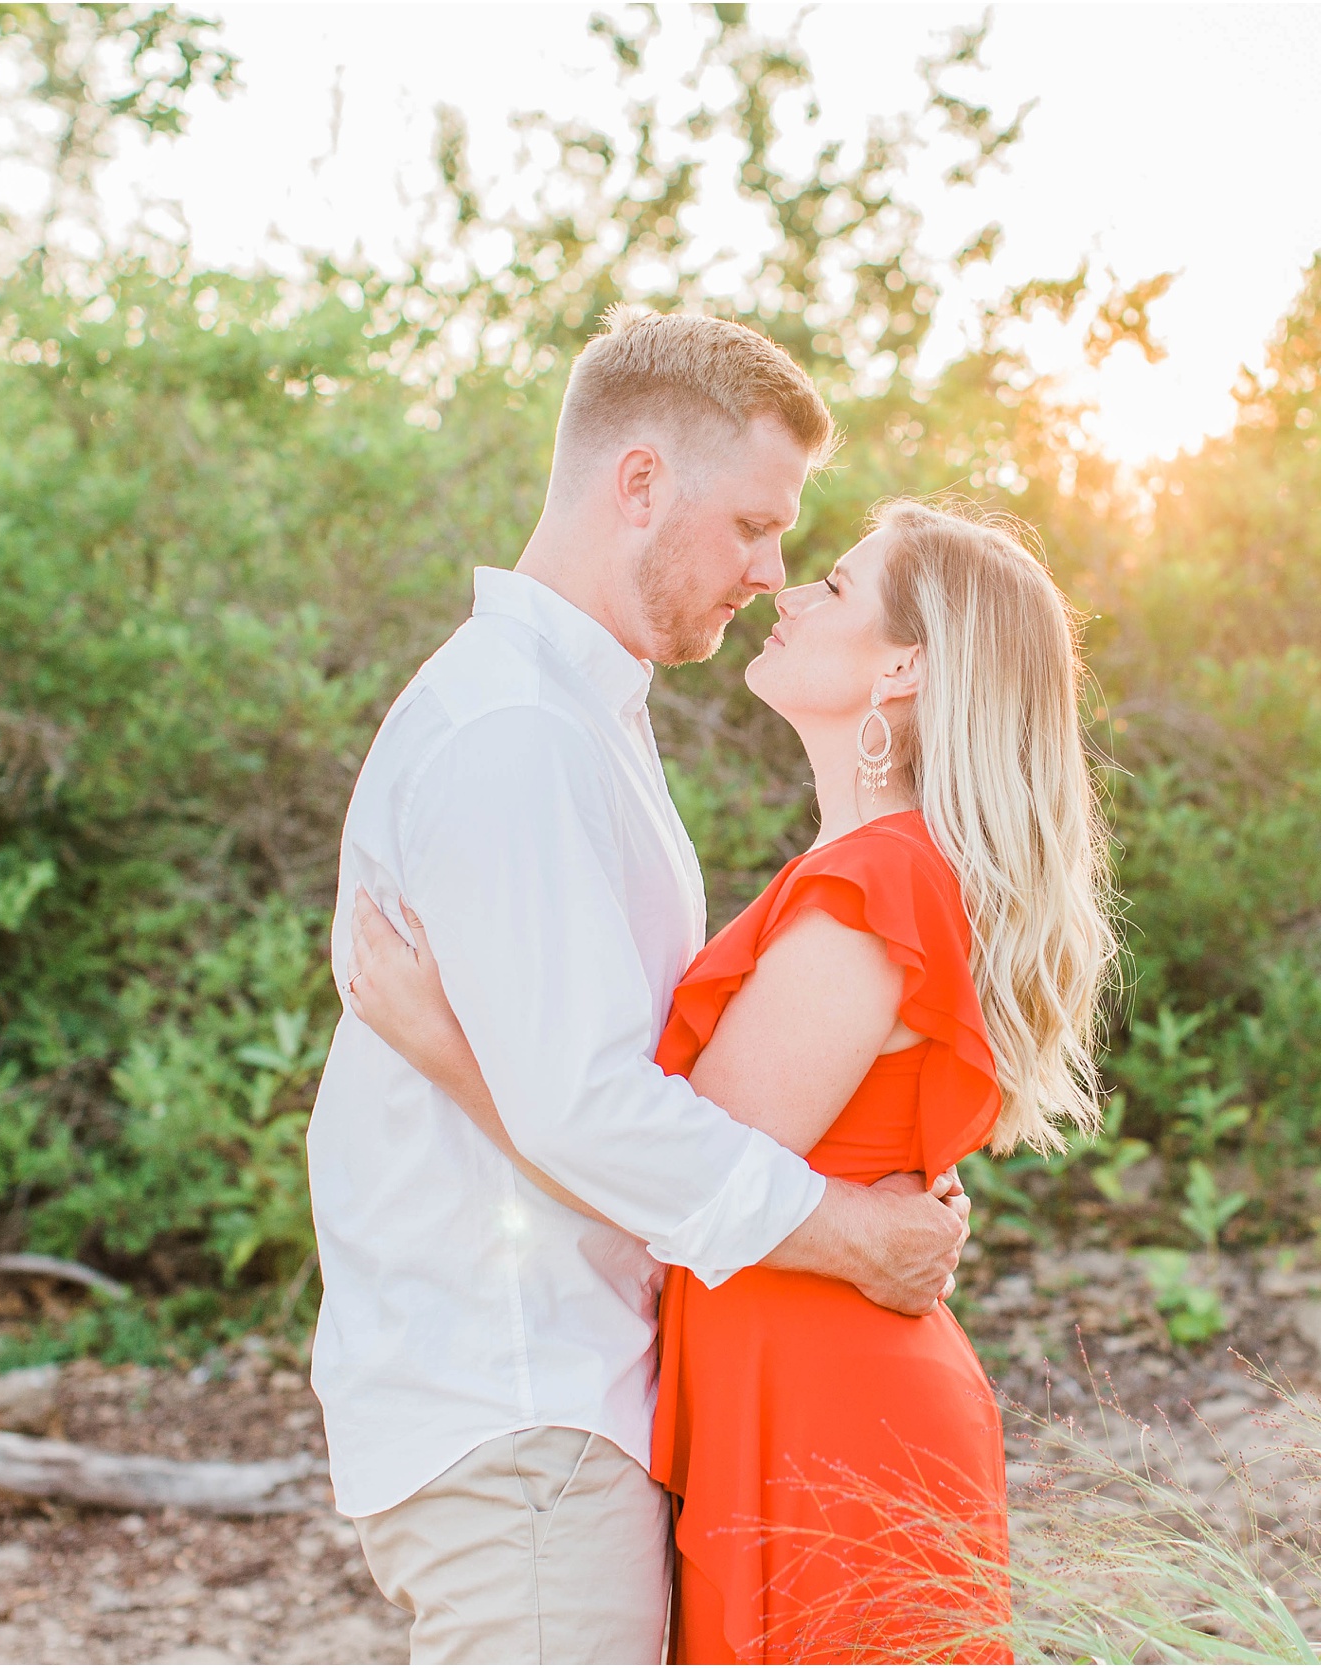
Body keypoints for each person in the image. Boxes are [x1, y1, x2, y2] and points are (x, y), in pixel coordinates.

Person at [306, 308, 976, 1666]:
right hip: (521, 1402)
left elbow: (616, 1092)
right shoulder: (519, 734)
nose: (770, 571)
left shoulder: (579, 720)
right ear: (640, 483)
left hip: (576, 1397)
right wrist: (853, 1235)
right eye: (753, 526)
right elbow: (593, 1110)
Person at [348, 497, 1118, 1663]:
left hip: (825, 1400)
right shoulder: (863, 871)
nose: (785, 590)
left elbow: (679, 1164)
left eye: (837, 589)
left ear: (902, 666)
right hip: (790, 1373)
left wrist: (446, 1051)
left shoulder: (875, 885)